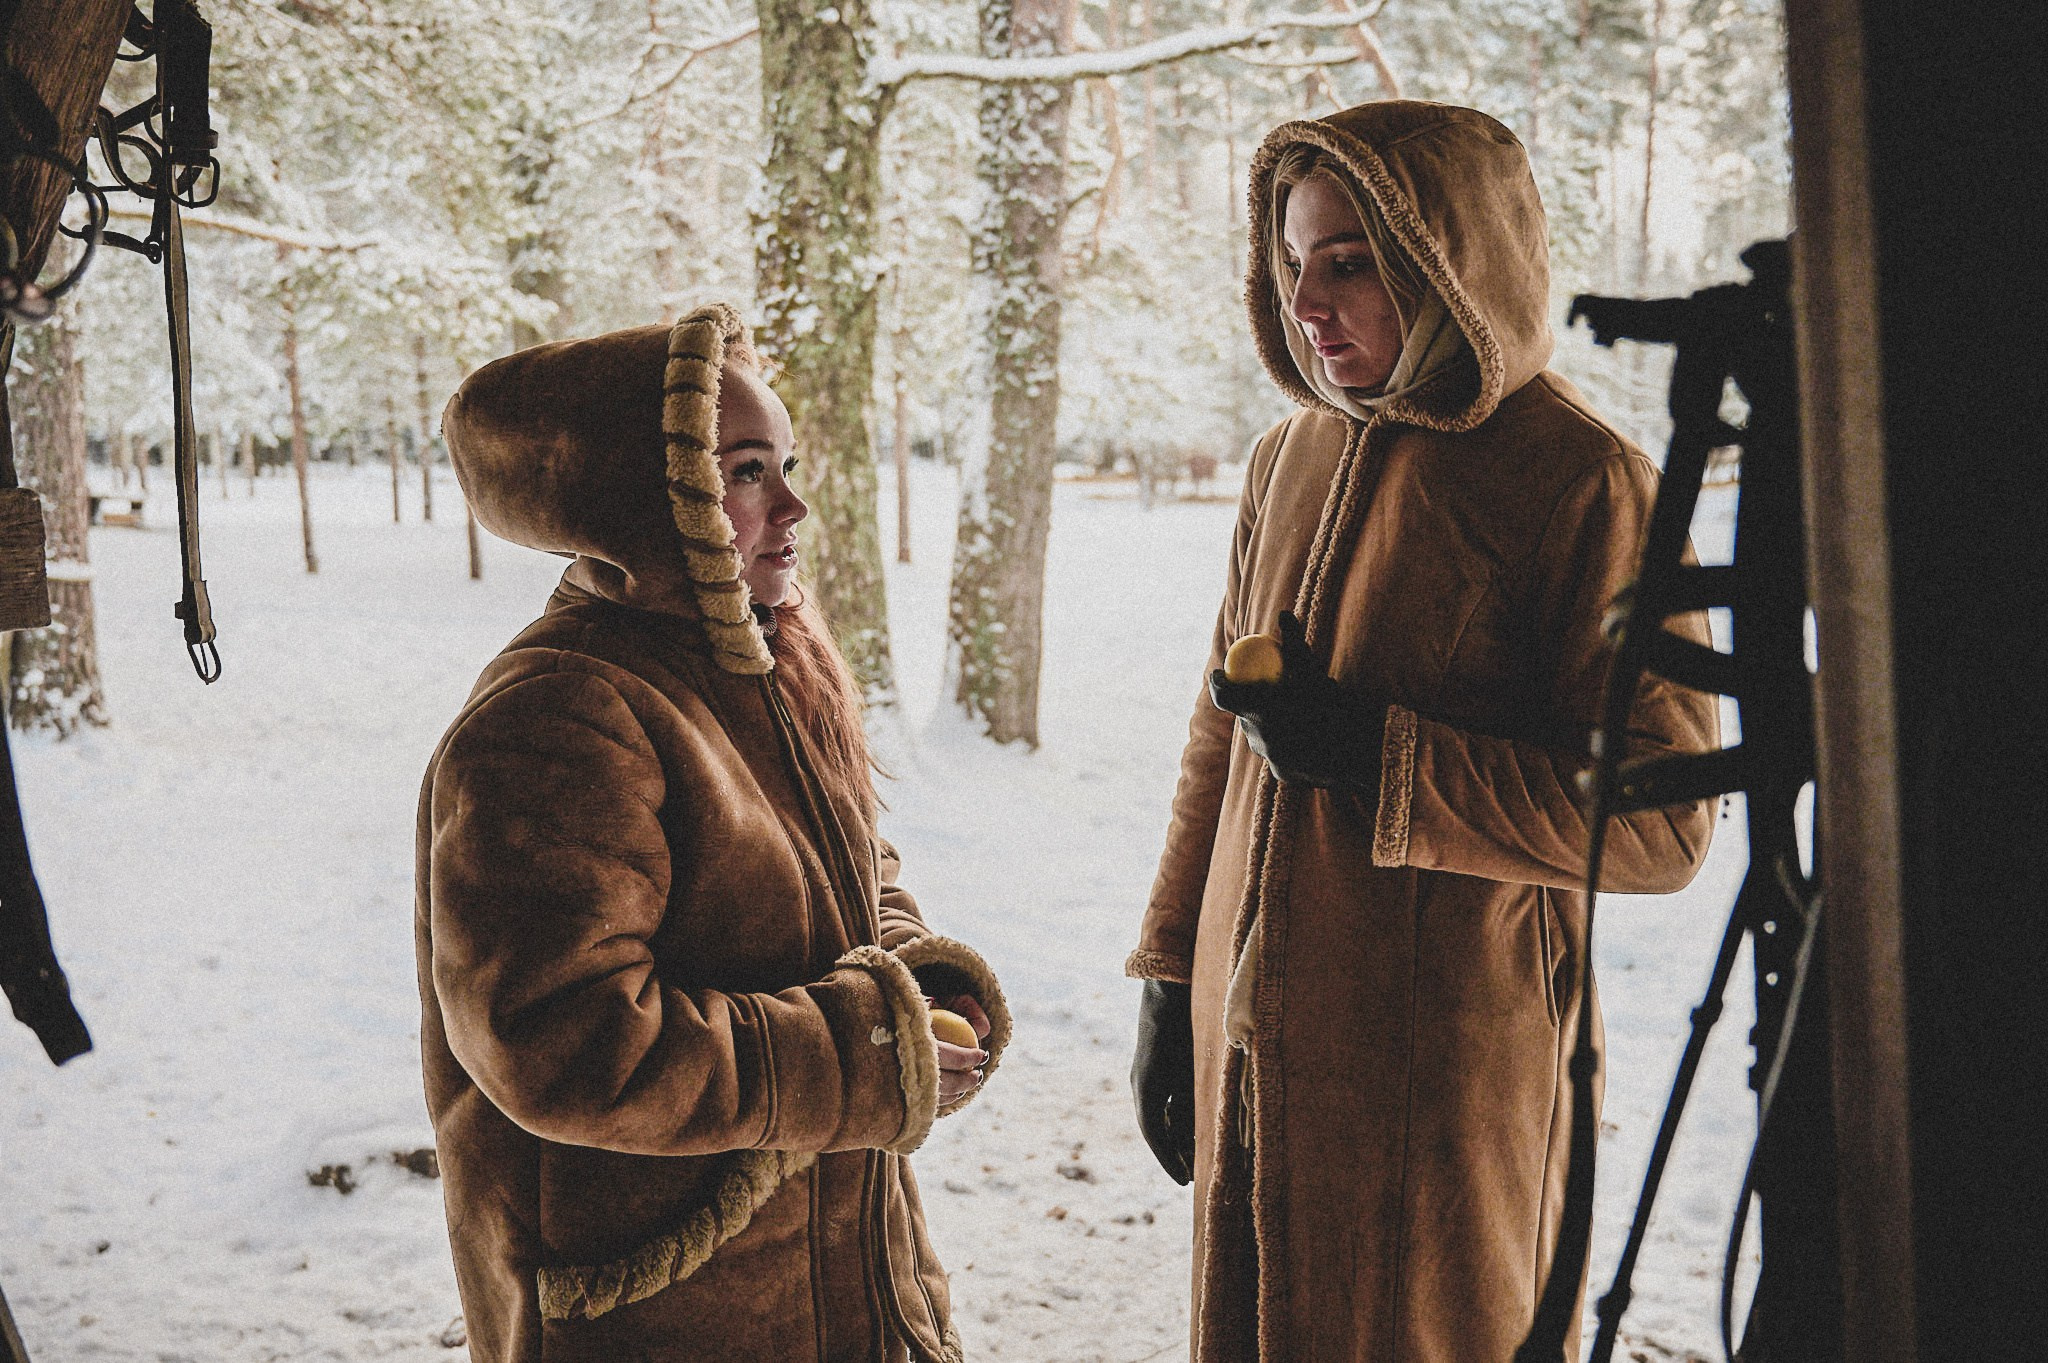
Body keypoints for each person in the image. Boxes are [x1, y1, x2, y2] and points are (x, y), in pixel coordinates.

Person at [1126, 102, 1719, 1362]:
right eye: (1292, 264)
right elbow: (1214, 739)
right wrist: (1172, 975)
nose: (1307, 302)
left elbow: (1665, 826)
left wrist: (1388, 762)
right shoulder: (1286, 458)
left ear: (1454, 260)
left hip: (1445, 1073)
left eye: (1349, 261)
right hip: (1254, 1045)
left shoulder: (1586, 485)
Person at [416, 304, 1006, 1363]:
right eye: (742, 472)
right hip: (667, 1308)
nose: (793, 504)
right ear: (637, 496)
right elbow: (559, 1041)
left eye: (782, 461)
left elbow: (843, 868)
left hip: (827, 1277)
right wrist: (858, 1053)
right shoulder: (559, 715)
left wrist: (914, 974)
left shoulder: (756, 662)